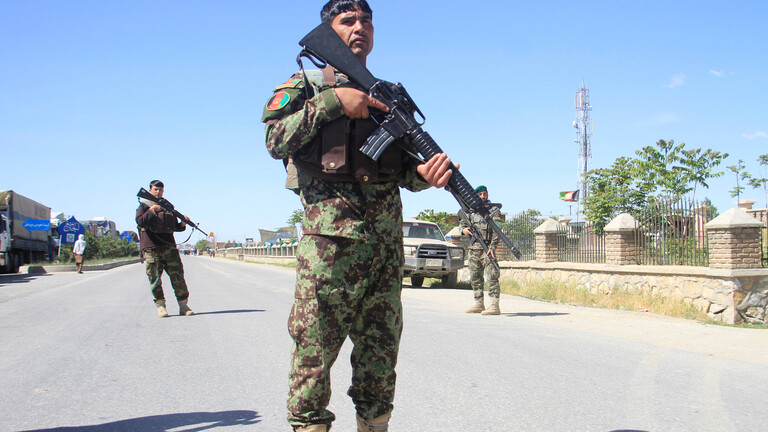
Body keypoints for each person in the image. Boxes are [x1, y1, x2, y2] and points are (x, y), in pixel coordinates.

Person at [262, 1, 456, 430]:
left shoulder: (388, 96)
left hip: (384, 253)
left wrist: (425, 175)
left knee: (380, 363)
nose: (360, 27)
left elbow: (401, 170)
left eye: (366, 20)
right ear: (328, 31)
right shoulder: (306, 86)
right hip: (329, 254)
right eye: (347, 20)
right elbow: (275, 140)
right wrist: (332, 102)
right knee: (313, 359)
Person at [135, 180, 194, 318]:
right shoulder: (144, 205)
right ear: (150, 190)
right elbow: (140, 221)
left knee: (177, 276)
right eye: (155, 189)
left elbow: (173, 227)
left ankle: (183, 305)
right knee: (155, 278)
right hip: (152, 247)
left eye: (161, 190)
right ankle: (161, 306)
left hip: (169, 247)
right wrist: (152, 210)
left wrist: (183, 223)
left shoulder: (167, 206)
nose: (158, 192)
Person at [459, 185, 502, 315]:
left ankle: (494, 306)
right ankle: (479, 303)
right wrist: (463, 230)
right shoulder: (470, 211)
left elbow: (497, 230)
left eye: (485, 194)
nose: (483, 196)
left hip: (487, 249)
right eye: (480, 194)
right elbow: (462, 223)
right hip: (473, 249)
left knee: (492, 276)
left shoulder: (493, 210)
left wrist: (492, 247)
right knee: (475, 277)